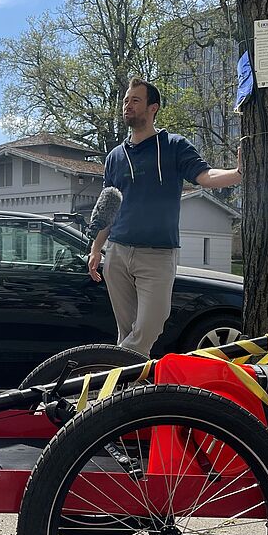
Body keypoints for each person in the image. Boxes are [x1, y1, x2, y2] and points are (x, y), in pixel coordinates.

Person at [88, 77, 242, 357]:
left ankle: (112, 373)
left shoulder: (173, 146)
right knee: (128, 332)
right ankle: (130, 392)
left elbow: (205, 177)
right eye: (125, 100)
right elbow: (108, 207)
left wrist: (238, 174)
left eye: (135, 100)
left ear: (152, 108)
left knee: (149, 327)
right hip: (118, 254)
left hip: (157, 256)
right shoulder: (115, 157)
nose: (128, 106)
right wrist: (96, 248)